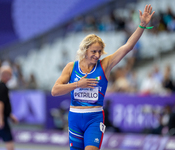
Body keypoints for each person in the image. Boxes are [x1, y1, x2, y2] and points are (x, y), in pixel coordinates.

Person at [51, 5, 155, 150]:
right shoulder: (71, 67)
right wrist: (78, 84)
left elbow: (127, 47)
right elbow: (55, 90)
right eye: (94, 51)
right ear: (85, 51)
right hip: (74, 118)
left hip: (94, 118)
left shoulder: (105, 65)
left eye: (100, 52)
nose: (97, 55)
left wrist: (142, 26)